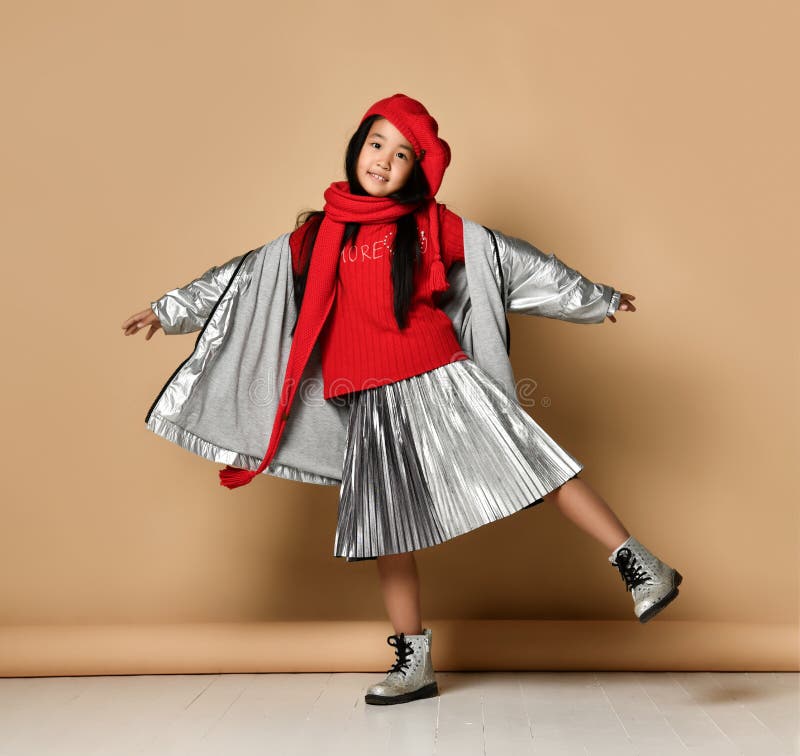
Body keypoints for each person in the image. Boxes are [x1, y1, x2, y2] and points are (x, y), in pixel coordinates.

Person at [122, 93, 683, 706]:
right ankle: (413, 660)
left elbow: (510, 260)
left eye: (402, 153)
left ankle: (639, 563)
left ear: (418, 170)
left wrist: (592, 297)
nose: (384, 160)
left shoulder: (430, 225)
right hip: (366, 404)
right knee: (385, 532)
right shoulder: (315, 235)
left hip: (437, 375)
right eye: (376, 144)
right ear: (356, 147)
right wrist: (169, 309)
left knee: (529, 464)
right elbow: (244, 278)